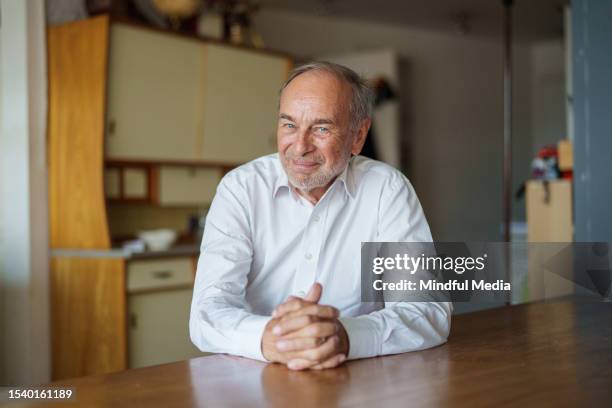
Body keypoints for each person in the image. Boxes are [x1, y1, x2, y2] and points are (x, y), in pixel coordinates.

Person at [189, 61, 452, 371]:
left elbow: (428, 310)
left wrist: (345, 336)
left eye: (321, 128)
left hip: (358, 378)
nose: (299, 147)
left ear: (358, 136)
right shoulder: (240, 189)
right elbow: (207, 312)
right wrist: (272, 338)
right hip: (255, 378)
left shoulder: (387, 189)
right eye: (289, 125)